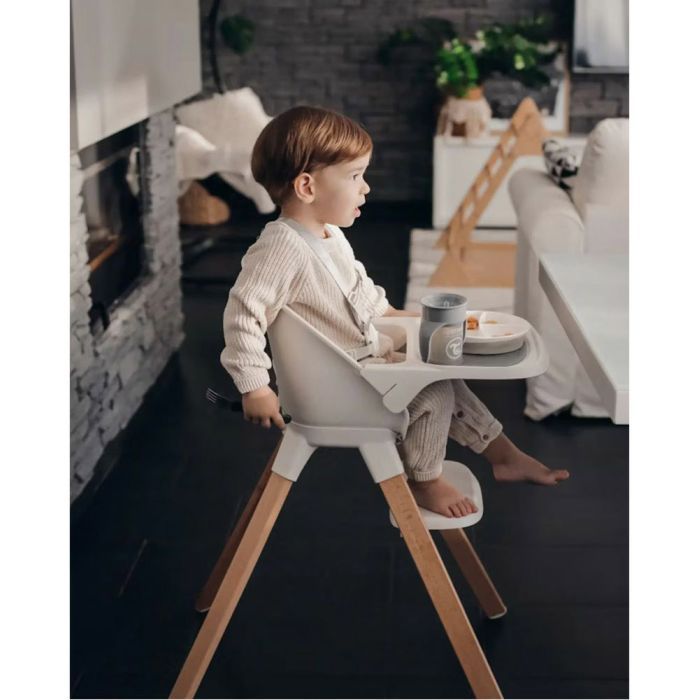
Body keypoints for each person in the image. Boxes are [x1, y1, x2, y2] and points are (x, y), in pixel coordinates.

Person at [221, 106, 569, 518]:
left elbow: (360, 294)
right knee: (434, 393)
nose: (366, 188)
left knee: (443, 371)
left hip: (361, 363)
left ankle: (504, 454)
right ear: (307, 187)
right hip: (336, 387)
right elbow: (243, 313)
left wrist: (406, 319)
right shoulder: (281, 247)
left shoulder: (328, 235)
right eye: (355, 176)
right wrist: (255, 388)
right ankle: (424, 480)